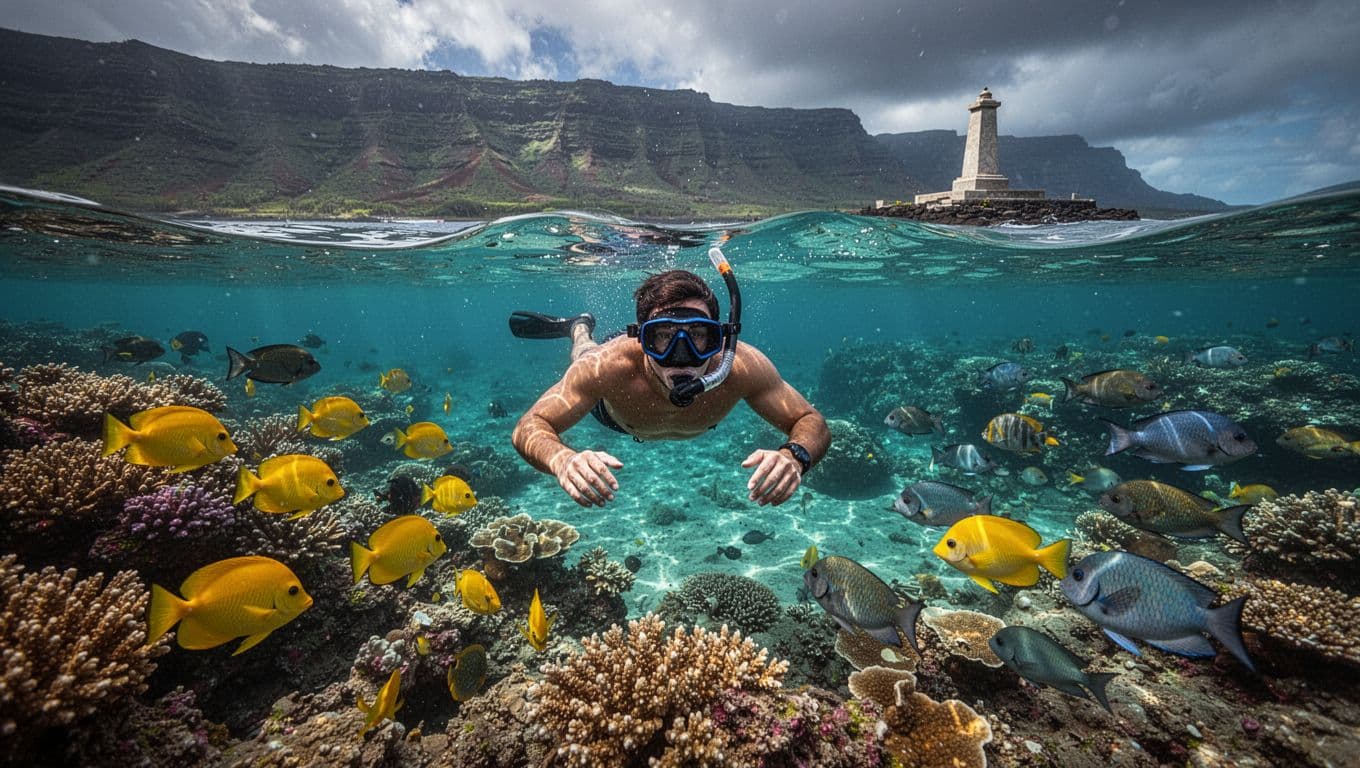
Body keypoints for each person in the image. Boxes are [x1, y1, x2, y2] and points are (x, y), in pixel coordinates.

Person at [509, 265, 829, 508]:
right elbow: (530, 426)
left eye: (698, 335)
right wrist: (561, 459)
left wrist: (794, 456)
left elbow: (811, 422)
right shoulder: (610, 367)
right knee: (585, 354)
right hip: (611, 413)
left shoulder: (741, 367)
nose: (681, 355)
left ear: (719, 339)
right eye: (662, 336)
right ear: (642, 339)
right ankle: (579, 328)